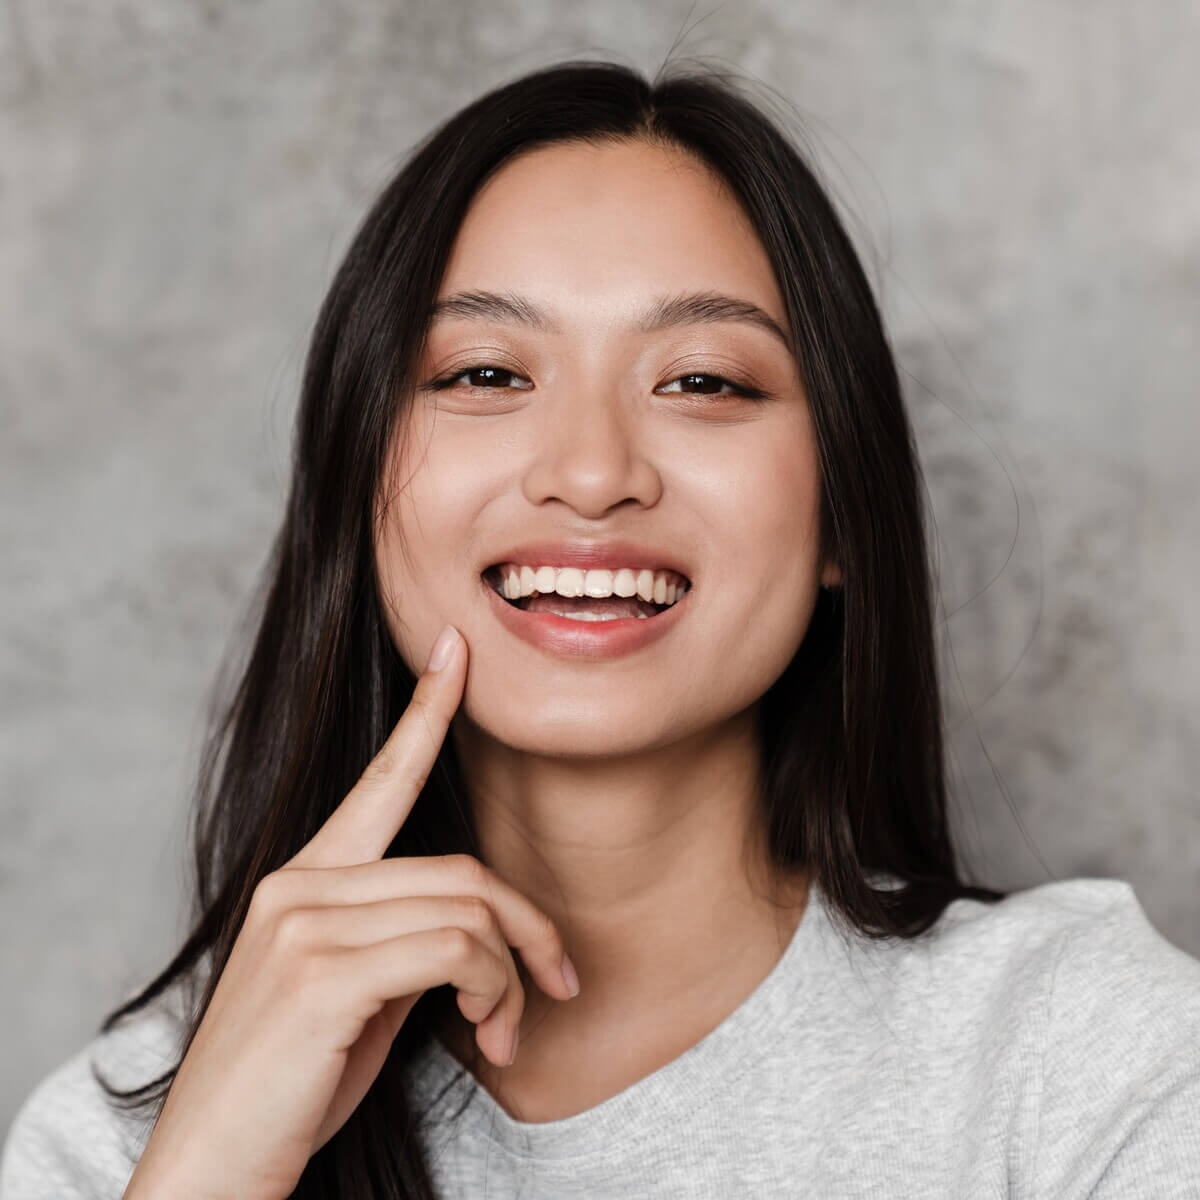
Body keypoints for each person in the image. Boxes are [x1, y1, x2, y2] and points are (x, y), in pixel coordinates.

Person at [3, 57, 1199, 1200]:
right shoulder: (132, 1127)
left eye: (703, 382)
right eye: (484, 375)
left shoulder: (1086, 1058)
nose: (590, 473)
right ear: (355, 490)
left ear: (844, 512)